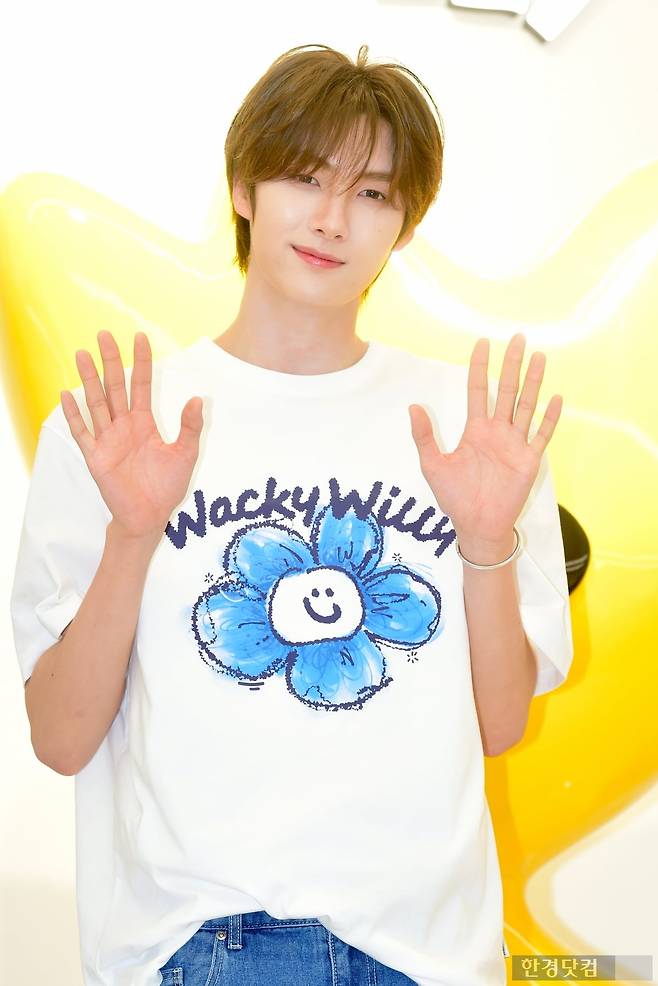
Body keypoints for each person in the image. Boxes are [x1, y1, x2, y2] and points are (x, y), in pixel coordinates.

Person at [10, 42, 573, 986]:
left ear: (403, 224)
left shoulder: (473, 429)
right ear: (243, 187)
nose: (331, 219)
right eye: (306, 177)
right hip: (208, 945)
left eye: (373, 194)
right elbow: (60, 738)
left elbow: (499, 724)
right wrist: (132, 534)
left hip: (425, 954)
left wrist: (485, 542)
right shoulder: (121, 424)